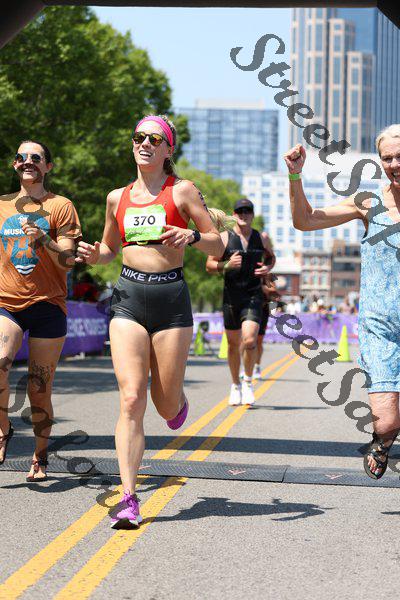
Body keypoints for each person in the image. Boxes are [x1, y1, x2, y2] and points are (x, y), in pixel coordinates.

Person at [76, 114, 226, 529]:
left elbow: (217, 243)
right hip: (127, 299)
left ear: (168, 149)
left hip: (171, 300)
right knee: (130, 398)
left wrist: (193, 237)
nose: (144, 143)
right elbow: (110, 249)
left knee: (165, 404)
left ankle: (176, 402)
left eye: (154, 139)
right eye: (139, 137)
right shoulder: (116, 197)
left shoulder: (182, 191)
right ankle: (129, 497)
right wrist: (95, 256)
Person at [284, 124, 400, 480]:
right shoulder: (368, 203)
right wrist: (295, 176)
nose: (394, 164)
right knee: (387, 419)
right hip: (381, 325)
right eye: (387, 158)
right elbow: (305, 220)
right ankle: (382, 438)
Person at [0, 140, 80, 481]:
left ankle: (40, 454)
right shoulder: (2, 205)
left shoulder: (60, 206)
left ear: (48, 166)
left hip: (48, 305)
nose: (28, 161)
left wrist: (44, 239)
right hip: (6, 304)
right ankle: (3, 429)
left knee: (38, 390)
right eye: (22, 157)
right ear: (15, 164)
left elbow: (68, 262)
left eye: (36, 157)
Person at [206, 199, 274, 406]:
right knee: (233, 345)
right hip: (231, 297)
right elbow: (209, 265)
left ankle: (248, 382)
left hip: (253, 295)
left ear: (252, 214)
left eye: (247, 211)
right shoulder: (224, 237)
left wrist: (267, 268)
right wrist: (226, 264)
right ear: (234, 214)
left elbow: (271, 257)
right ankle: (235, 385)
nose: (244, 214)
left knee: (250, 340)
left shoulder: (262, 237)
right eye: (239, 211)